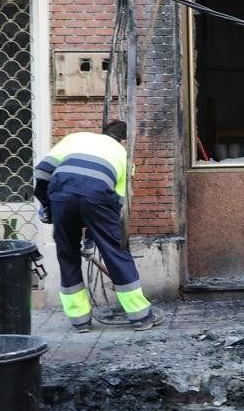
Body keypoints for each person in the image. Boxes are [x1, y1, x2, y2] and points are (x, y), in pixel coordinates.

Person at [33, 120, 163, 332]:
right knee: (116, 253)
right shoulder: (124, 156)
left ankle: (80, 321)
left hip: (60, 195)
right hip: (97, 195)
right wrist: (100, 235)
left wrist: (47, 207)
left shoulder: (75, 138)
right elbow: (117, 204)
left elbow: (42, 172)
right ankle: (141, 317)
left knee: (67, 255)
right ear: (123, 141)